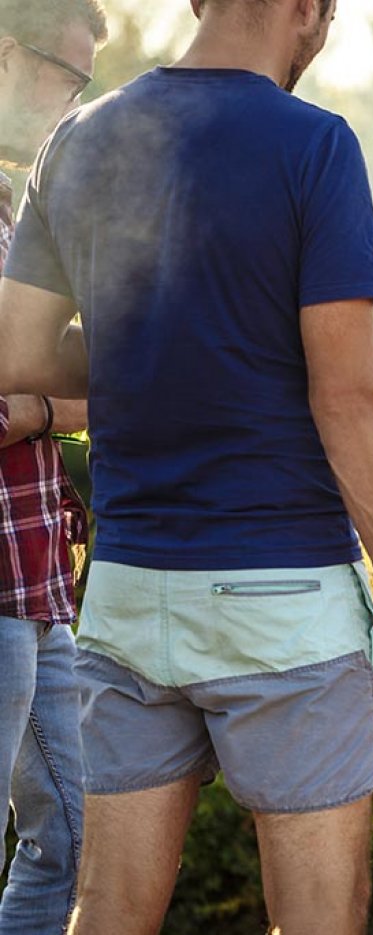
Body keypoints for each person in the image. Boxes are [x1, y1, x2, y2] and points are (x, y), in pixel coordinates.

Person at [0, 0, 373, 932]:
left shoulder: (79, 139)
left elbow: (18, 351)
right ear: (307, 10)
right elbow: (350, 396)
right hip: (283, 599)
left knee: (106, 910)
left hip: (126, 592)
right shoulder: (312, 145)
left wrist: (147, 350)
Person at [0, 0, 105, 930]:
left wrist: (35, 405)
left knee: (74, 842)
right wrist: (44, 399)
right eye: (64, 76)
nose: (71, 104)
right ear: (4, 53)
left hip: (38, 584)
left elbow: (104, 381)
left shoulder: (16, 210)